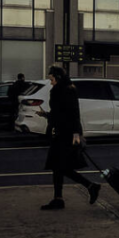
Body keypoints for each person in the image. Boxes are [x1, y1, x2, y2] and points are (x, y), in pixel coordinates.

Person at [36, 66, 100, 210]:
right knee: (58, 166)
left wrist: (76, 135)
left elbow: (70, 113)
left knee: (60, 166)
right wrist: (47, 115)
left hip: (65, 134)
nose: (50, 82)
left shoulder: (62, 90)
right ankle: (59, 198)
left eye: (51, 79)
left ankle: (89, 186)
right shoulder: (68, 89)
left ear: (57, 77)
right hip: (65, 132)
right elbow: (66, 113)